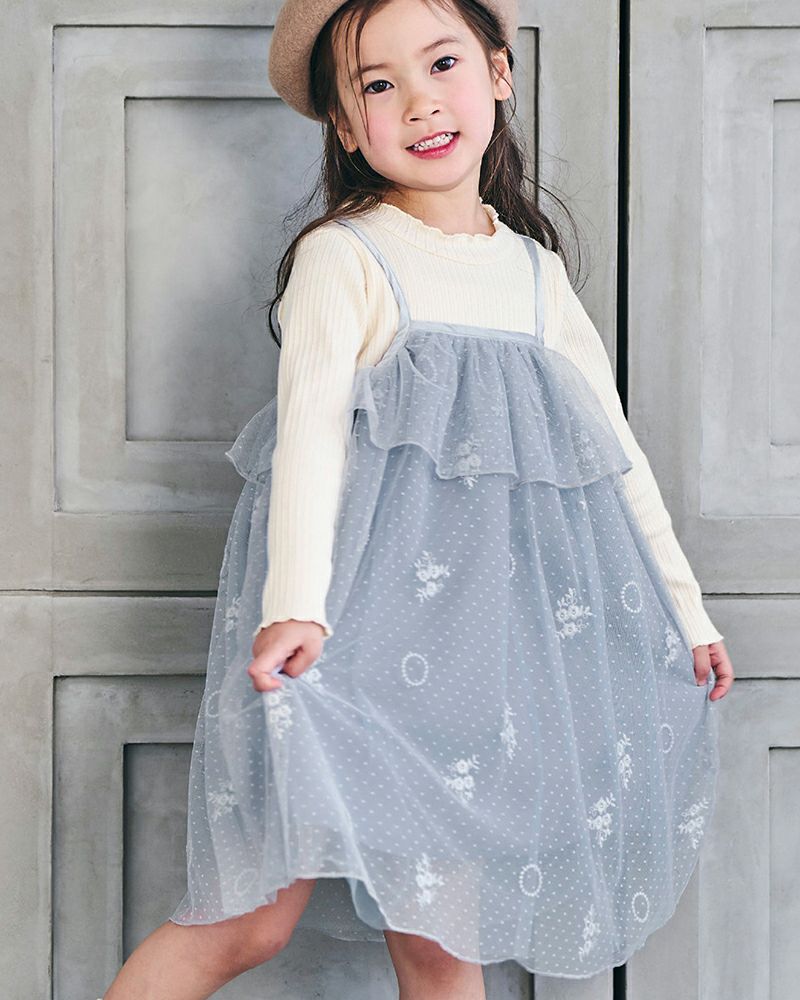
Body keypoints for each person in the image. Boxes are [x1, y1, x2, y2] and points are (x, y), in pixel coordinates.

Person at [101, 0, 735, 997]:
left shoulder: (535, 277)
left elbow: (613, 456)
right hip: (337, 645)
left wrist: (686, 613)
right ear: (347, 126)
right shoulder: (346, 256)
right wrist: (294, 610)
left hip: (468, 667)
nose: (419, 102)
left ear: (497, 72)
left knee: (442, 944)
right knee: (249, 919)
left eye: (441, 64)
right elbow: (309, 435)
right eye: (378, 84)